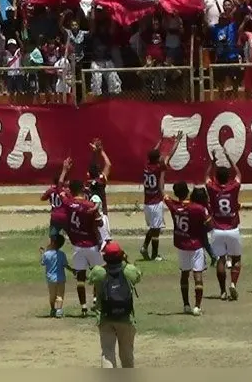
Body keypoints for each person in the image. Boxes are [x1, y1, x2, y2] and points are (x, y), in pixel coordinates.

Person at [87, 240, 142, 368]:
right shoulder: (129, 270)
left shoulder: (98, 272)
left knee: (107, 352)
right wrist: (127, 261)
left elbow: (90, 280)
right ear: (121, 255)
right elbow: (138, 276)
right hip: (126, 318)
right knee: (127, 353)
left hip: (105, 317)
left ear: (105, 256)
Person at [164, 181, 211, 316]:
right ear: (188, 192)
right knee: (198, 274)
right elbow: (210, 225)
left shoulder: (173, 206)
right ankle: (197, 306)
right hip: (196, 245)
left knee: (184, 274)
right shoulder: (198, 208)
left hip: (181, 245)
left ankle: (186, 304)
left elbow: (165, 197)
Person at [203, 148, 243, 301]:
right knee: (236, 259)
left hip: (217, 229)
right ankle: (233, 283)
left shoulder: (212, 188)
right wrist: (230, 158)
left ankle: (222, 291)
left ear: (217, 178)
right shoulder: (233, 187)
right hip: (232, 228)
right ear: (228, 177)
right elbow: (239, 174)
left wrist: (212, 163)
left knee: (221, 258)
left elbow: (206, 176)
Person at [139, 131, 184, 262]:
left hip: (147, 202)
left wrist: (159, 141)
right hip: (155, 201)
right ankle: (155, 254)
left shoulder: (146, 166)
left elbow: (152, 152)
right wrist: (177, 141)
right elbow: (170, 154)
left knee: (153, 227)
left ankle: (144, 247)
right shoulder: (159, 167)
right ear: (157, 158)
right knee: (156, 229)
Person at [65, 179, 105, 316]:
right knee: (99, 274)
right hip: (91, 244)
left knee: (80, 278)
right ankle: (96, 301)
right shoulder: (89, 205)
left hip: (77, 245)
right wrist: (96, 210)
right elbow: (99, 223)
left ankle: (83, 307)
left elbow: (61, 193)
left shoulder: (68, 203)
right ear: (83, 189)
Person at [40, 234, 73, 318]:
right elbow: (65, 265)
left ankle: (52, 309)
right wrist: (73, 270)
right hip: (61, 278)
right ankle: (59, 310)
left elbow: (43, 263)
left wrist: (42, 253)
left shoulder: (46, 254)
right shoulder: (62, 254)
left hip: (51, 279)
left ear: (53, 243)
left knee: (52, 296)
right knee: (60, 295)